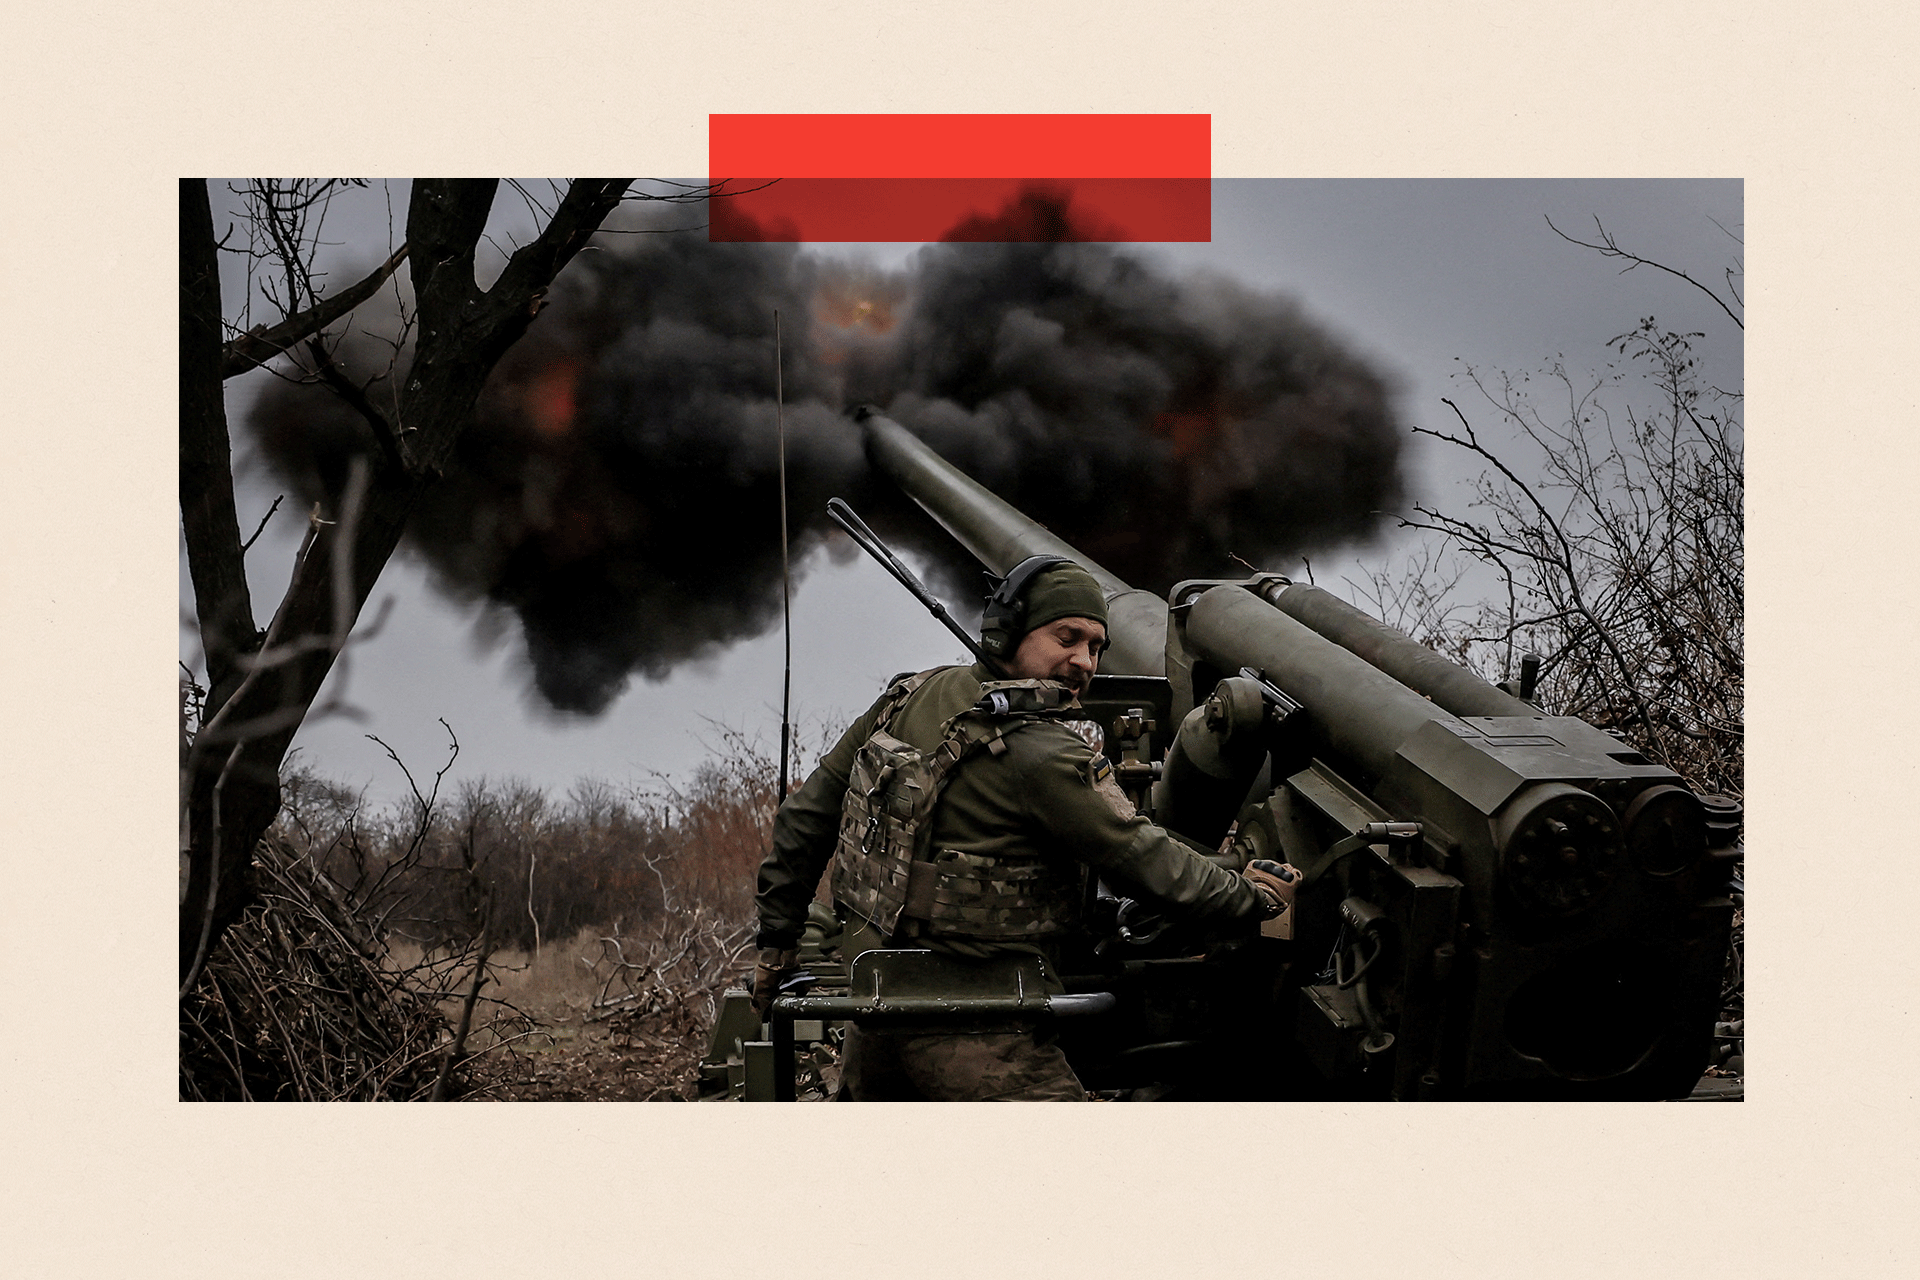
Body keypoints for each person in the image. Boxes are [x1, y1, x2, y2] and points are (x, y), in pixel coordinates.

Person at [752, 557, 1300, 1100]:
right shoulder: (1042, 752)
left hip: (875, 1005)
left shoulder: (908, 695)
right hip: (980, 1026)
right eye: (1067, 637)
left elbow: (805, 819)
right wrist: (1251, 897)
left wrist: (776, 945)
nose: (1083, 661)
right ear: (1007, 632)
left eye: (1095, 647)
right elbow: (1142, 860)